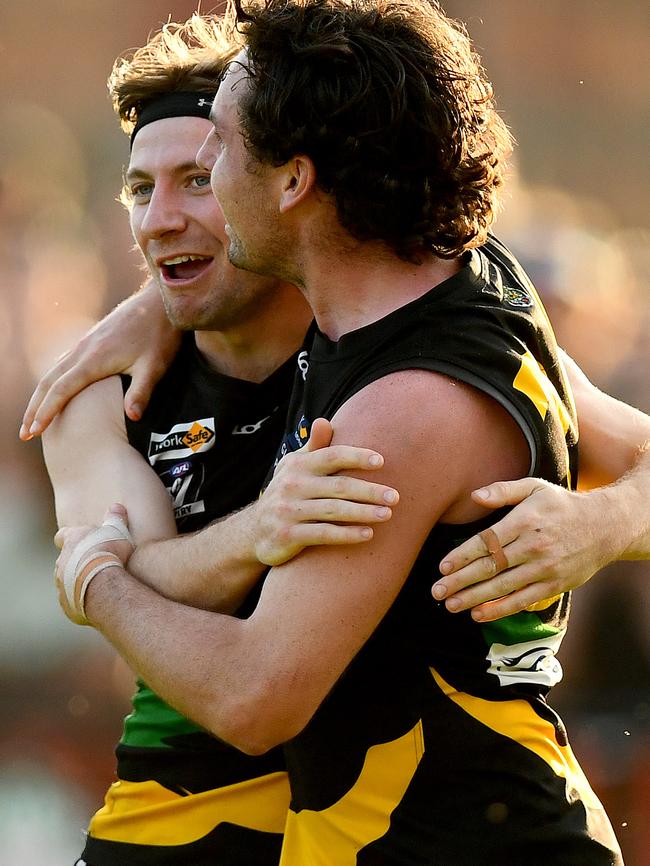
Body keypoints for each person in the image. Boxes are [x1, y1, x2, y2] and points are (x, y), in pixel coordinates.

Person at [50, 1, 635, 862]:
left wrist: (93, 577)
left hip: (444, 839)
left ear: (294, 182)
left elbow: (256, 697)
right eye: (146, 188)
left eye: (214, 159)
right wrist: (157, 306)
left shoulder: (399, 411)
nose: (179, 198)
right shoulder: (458, 288)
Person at [42, 14, 401, 866]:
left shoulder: (397, 350)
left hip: (378, 824)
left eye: (198, 180)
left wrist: (597, 523)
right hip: (174, 817)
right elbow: (145, 594)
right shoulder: (91, 395)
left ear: (279, 184)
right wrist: (264, 526)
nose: (157, 221)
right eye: (139, 190)